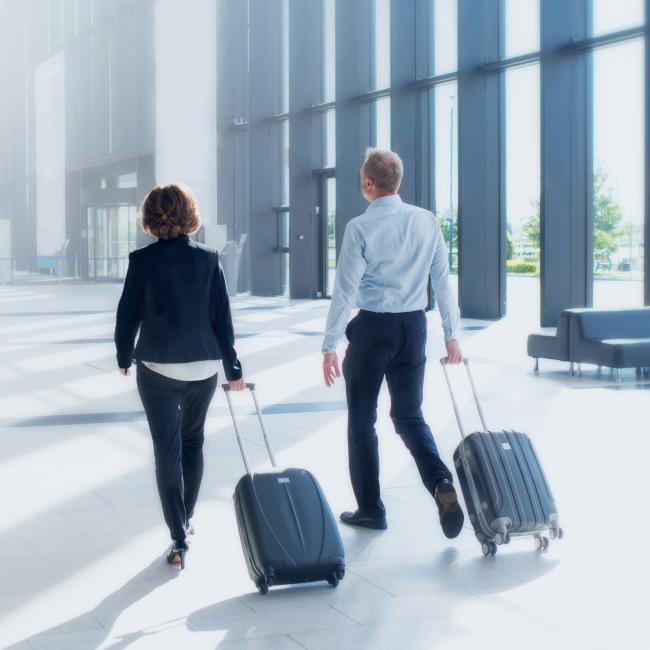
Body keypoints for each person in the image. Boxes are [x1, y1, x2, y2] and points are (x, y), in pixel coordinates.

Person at [322, 148, 465, 539]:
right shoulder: (426, 221)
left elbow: (346, 291)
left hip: (372, 330)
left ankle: (371, 509)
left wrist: (329, 343)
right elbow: (442, 282)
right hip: (413, 329)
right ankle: (440, 483)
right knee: (408, 416)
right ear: (396, 181)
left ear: (369, 183)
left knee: (361, 421)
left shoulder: (360, 228)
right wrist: (452, 334)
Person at [114, 183, 245, 569]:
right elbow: (222, 317)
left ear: (150, 217)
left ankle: (177, 534)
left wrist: (124, 355)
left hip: (156, 367)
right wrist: (232, 367)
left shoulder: (142, 260)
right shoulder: (208, 259)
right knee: (193, 441)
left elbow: (128, 315)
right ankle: (187, 518)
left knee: (166, 448)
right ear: (189, 214)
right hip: (203, 368)